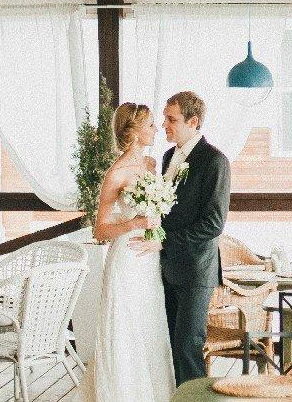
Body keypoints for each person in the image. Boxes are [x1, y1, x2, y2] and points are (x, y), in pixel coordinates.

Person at [130, 90, 232, 386]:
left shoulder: (215, 161)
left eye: (171, 119)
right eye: (164, 118)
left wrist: (163, 241)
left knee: (188, 347)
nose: (164, 124)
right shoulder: (167, 157)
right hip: (166, 268)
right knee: (170, 347)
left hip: (196, 270)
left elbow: (213, 224)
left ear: (193, 121)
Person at [78, 103, 176, 402]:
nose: (156, 129)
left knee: (150, 324)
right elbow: (100, 230)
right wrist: (132, 224)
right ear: (133, 132)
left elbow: (158, 213)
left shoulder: (150, 164)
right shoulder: (116, 174)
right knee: (125, 327)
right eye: (150, 125)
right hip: (126, 259)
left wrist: (157, 232)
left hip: (149, 258)